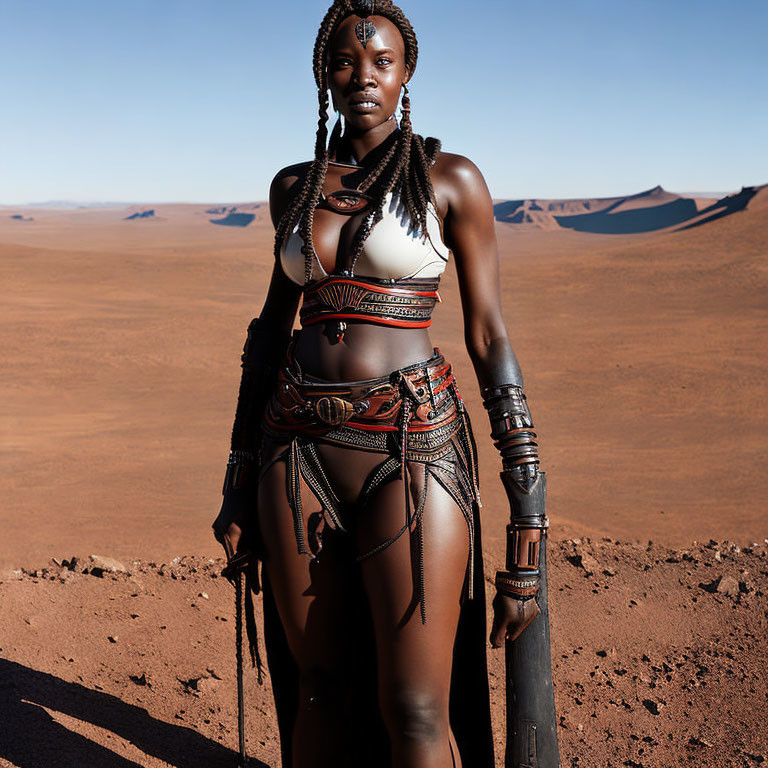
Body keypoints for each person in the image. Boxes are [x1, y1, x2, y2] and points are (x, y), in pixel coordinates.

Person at [213, 2, 552, 766]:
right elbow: (270, 333)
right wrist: (237, 477)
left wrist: (528, 510)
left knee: (418, 707)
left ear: (406, 73)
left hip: (412, 448)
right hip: (294, 450)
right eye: (343, 60)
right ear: (322, 74)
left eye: (382, 60)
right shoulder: (294, 187)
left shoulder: (450, 180)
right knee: (318, 687)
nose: (362, 75)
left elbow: (490, 334)